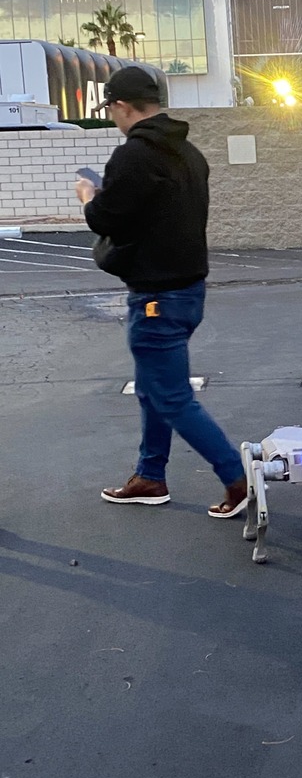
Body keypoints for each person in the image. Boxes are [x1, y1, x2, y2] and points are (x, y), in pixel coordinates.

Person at [74, 66, 247, 518]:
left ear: (122, 105)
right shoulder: (189, 153)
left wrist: (89, 197)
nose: (111, 116)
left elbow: (105, 220)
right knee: (153, 388)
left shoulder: (133, 156)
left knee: (170, 396)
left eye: (111, 108)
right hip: (188, 290)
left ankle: (238, 478)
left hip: (155, 298)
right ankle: (150, 475)